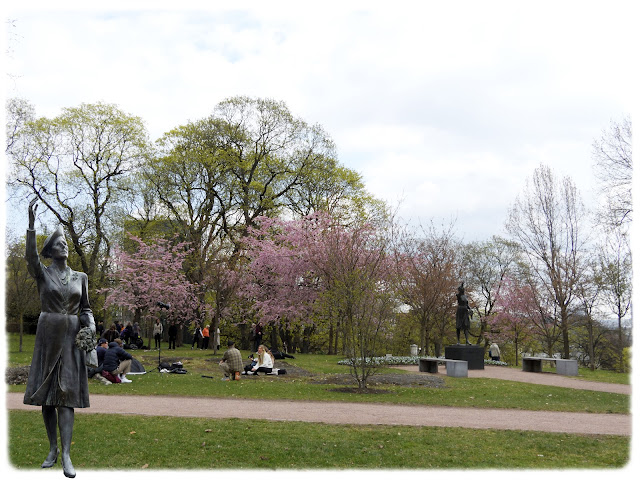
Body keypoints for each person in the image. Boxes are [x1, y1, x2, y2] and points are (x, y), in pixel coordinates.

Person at [23, 200, 94, 478]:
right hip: (48, 336)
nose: (63, 246)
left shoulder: (81, 277)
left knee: (66, 396)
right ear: (50, 252)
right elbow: (30, 259)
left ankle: (65, 454)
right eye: (58, 244)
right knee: (48, 396)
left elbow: (86, 308)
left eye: (65, 243)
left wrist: (89, 329)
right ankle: (52, 448)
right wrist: (31, 226)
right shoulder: (43, 274)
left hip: (71, 338)